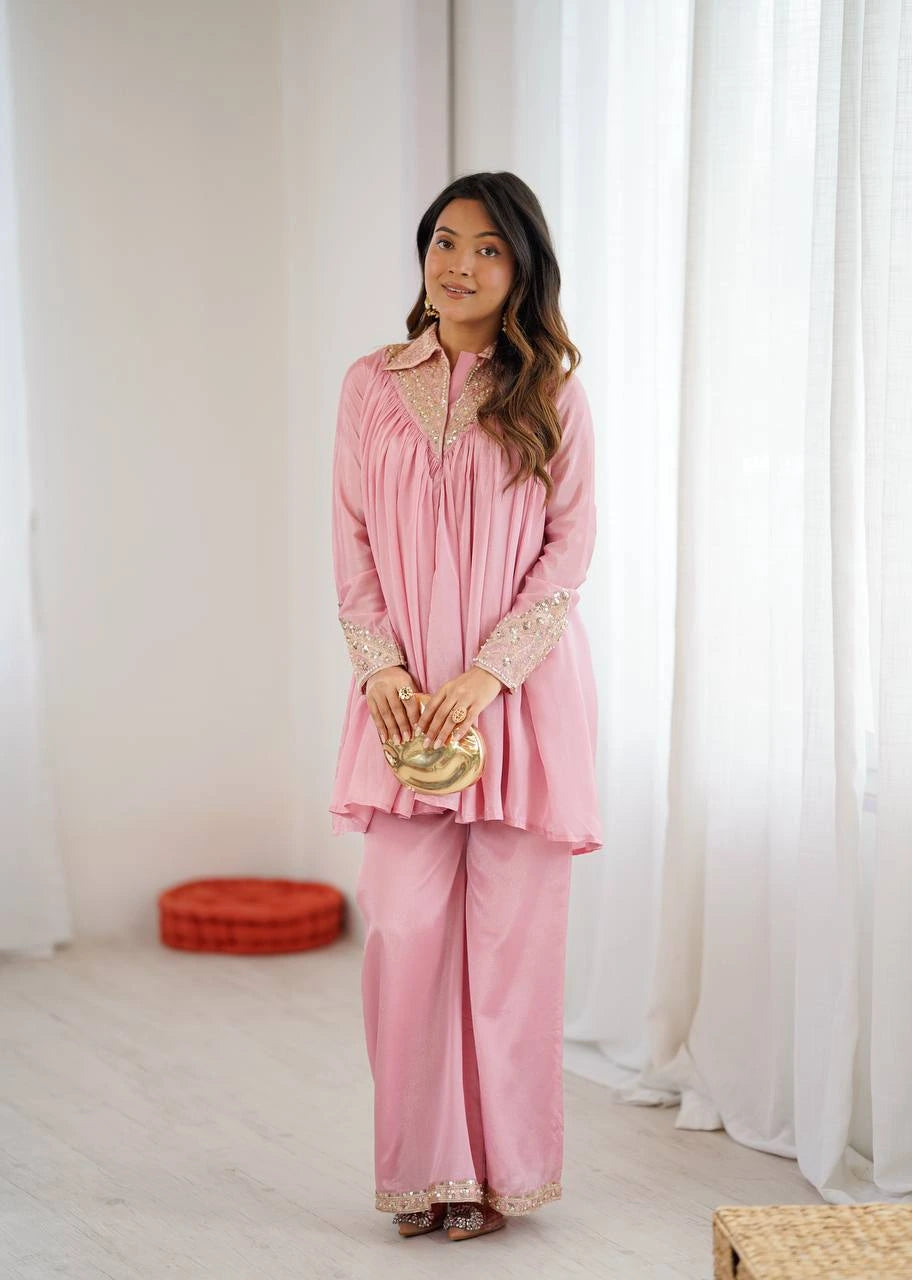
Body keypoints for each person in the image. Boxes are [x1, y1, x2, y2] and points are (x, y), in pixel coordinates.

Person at [329, 171, 603, 1243]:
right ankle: (426, 1167)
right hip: (401, 705)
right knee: (401, 933)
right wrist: (381, 667)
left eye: (486, 249)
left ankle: (499, 1173)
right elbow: (349, 539)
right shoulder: (366, 384)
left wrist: (487, 674)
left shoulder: (554, 395)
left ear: (519, 268)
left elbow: (565, 557)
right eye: (444, 241)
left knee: (509, 942)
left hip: (517, 700)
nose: (457, 264)